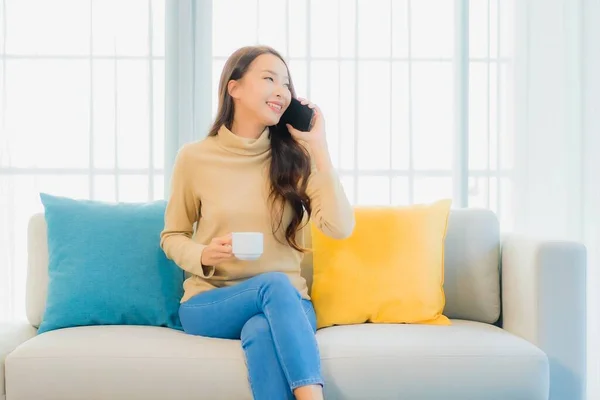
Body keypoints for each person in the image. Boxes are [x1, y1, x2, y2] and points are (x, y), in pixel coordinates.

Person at [160, 45, 355, 400]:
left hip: (289, 306)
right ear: (234, 88)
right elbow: (172, 235)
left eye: (286, 83)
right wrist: (203, 253)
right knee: (274, 286)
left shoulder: (295, 159)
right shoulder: (194, 158)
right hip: (212, 301)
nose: (282, 90)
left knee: (262, 330)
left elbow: (339, 228)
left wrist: (320, 149)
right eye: (269, 79)